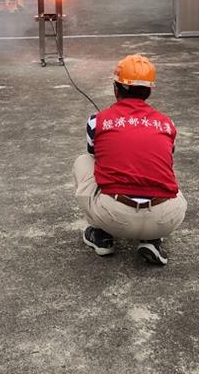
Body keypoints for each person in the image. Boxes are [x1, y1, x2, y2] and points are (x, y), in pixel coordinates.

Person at [72, 54, 186, 266]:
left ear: (116, 89)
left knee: (83, 162)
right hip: (167, 218)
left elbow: (94, 155)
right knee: (163, 168)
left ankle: (101, 235)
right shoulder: (166, 123)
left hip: (114, 216)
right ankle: (152, 239)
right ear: (149, 91)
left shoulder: (97, 121)